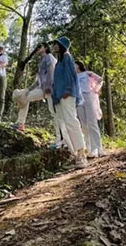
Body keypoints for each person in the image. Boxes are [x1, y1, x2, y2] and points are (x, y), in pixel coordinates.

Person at [11, 42, 62, 140]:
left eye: (40, 46)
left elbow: (51, 72)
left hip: (50, 89)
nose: (38, 48)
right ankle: (20, 123)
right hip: (42, 88)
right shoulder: (42, 61)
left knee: (55, 113)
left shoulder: (49, 57)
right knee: (24, 96)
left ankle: (61, 139)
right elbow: (38, 80)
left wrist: (48, 87)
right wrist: (28, 89)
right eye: (37, 47)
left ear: (46, 48)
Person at [51, 36, 88, 168]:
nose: (54, 45)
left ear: (62, 45)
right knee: (64, 125)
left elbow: (71, 76)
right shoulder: (58, 61)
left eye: (56, 44)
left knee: (71, 121)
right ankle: (75, 155)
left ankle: (81, 154)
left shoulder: (66, 57)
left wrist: (67, 90)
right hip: (59, 96)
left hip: (67, 95)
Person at [75, 61, 105, 158]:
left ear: (79, 65)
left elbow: (100, 79)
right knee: (84, 125)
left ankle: (98, 149)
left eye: (75, 64)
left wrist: (95, 89)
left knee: (92, 123)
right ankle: (89, 149)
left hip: (88, 97)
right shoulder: (73, 76)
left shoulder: (87, 74)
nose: (73, 66)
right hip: (78, 100)